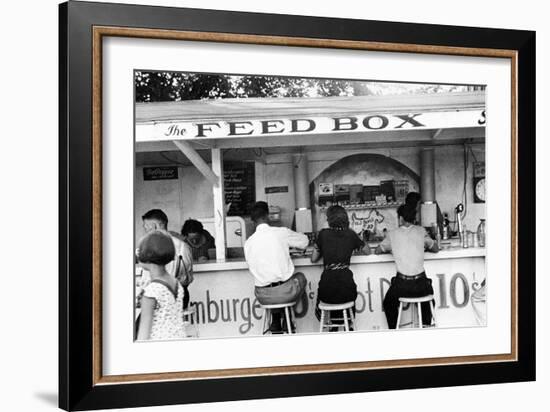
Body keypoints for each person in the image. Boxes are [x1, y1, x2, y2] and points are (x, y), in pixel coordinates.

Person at [244, 201, 309, 333]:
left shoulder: (248, 243)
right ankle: (286, 317)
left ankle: (275, 318)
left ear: (252, 220)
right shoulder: (280, 233)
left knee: (270, 280)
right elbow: (304, 241)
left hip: (262, 295)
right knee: (300, 278)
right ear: (267, 215)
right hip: (285, 293)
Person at [376, 203, 439, 329]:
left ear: (400, 218)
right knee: (428, 299)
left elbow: (378, 250)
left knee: (388, 303)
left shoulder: (392, 234)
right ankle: (426, 325)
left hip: (402, 285)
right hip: (421, 284)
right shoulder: (421, 231)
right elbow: (435, 249)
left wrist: (392, 248)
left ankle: (394, 331)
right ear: (414, 218)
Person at [311, 205, 370, 330]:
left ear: (329, 219)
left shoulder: (323, 234)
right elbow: (368, 251)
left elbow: (313, 258)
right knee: (346, 290)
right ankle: (348, 324)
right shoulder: (350, 234)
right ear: (345, 218)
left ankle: (333, 327)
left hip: (326, 292)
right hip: (346, 290)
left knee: (331, 288)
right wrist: (357, 242)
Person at [136, 230, 186, 340]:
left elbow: (144, 334)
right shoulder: (176, 283)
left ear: (147, 255)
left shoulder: (151, 292)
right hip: (178, 338)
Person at [141, 209, 193, 309]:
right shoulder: (183, 246)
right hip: (181, 297)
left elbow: (146, 280)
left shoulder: (150, 248)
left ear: (154, 227)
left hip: (159, 299)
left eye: (146, 227)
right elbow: (188, 276)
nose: (145, 230)